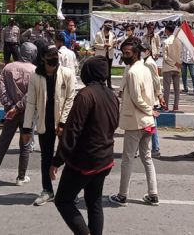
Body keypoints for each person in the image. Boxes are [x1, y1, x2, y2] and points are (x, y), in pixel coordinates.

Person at [51, 56, 120, 235]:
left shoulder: (85, 95)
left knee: (63, 200)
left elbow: (72, 132)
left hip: (85, 161)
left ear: (88, 73)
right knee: (94, 201)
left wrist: (56, 161)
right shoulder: (111, 95)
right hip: (104, 159)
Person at [23, 44, 77, 206]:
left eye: (55, 55)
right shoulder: (35, 76)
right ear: (43, 58)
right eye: (50, 55)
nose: (54, 58)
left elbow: (70, 100)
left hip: (63, 123)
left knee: (68, 156)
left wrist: (62, 122)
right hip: (44, 123)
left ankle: (70, 192)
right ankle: (47, 190)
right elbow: (31, 103)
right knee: (46, 157)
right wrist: (27, 128)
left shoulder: (67, 74)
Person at [108, 39, 159, 207]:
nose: (124, 56)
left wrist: (149, 110)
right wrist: (150, 111)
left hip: (137, 121)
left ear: (136, 53)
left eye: (127, 53)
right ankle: (153, 194)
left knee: (127, 159)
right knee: (147, 158)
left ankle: (122, 195)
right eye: (123, 53)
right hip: (147, 121)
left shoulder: (133, 72)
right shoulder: (143, 69)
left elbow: (137, 99)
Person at [0, 42, 37, 186]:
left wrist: (11, 107)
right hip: (27, 113)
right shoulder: (35, 71)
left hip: (9, 113)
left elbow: (2, 92)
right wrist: (18, 107)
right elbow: (31, 95)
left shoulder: (7, 68)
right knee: (25, 145)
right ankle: (21, 177)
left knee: (2, 144)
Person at [142, 44, 166, 158]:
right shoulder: (144, 62)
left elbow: (156, 80)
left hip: (151, 96)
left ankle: (155, 148)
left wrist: (160, 95)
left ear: (148, 51)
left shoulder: (149, 63)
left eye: (143, 50)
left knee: (152, 124)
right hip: (148, 95)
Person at [162, 23, 182, 111]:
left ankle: (165, 105)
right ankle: (176, 106)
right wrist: (178, 63)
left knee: (167, 88)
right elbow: (181, 54)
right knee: (176, 89)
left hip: (168, 67)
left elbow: (165, 57)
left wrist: (174, 63)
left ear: (167, 30)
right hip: (177, 68)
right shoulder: (179, 41)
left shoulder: (166, 42)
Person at [94, 21, 117, 89]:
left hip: (109, 54)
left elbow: (113, 43)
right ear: (104, 26)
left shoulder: (112, 34)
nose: (108, 29)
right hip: (101, 55)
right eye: (107, 27)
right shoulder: (99, 34)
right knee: (100, 70)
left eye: (109, 28)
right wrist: (104, 45)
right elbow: (95, 44)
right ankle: (100, 84)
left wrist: (114, 45)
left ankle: (109, 85)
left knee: (108, 70)